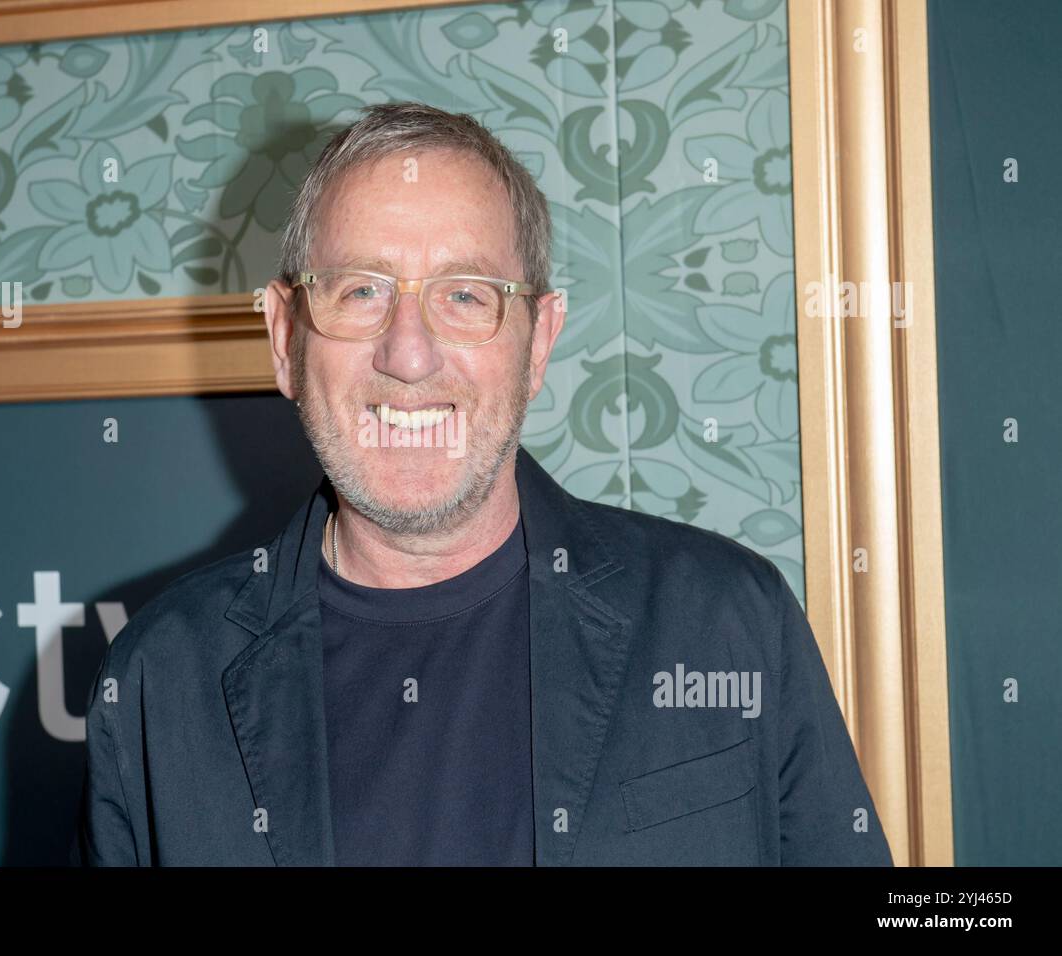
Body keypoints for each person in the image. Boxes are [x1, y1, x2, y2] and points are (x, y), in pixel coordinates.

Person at [71, 102, 892, 866]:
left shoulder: (726, 619)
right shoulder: (160, 682)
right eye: (360, 291)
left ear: (539, 344)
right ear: (285, 338)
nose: (410, 352)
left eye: (466, 295)